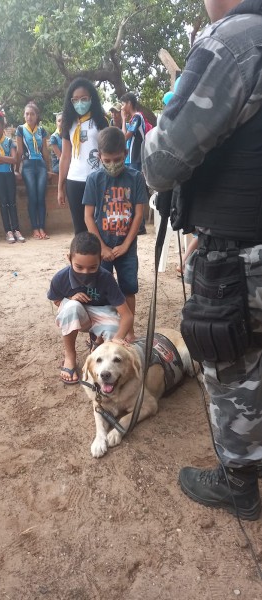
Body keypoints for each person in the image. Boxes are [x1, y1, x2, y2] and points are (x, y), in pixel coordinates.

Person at [142, 0, 262, 521]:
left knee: (233, 362)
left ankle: (238, 485)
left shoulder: (234, 41)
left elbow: (161, 162)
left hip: (241, 256)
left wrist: (160, 123)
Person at [83, 127, 148, 341]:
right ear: (99, 156)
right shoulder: (93, 180)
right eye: (107, 160)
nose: (112, 164)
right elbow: (88, 217)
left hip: (126, 247)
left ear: (126, 154)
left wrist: (126, 245)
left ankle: (128, 333)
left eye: (117, 159)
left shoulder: (136, 177)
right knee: (101, 290)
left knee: (128, 287)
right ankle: (102, 332)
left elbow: (139, 214)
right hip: (102, 247)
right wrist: (101, 247)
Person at [47, 231, 133, 384]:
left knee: (115, 329)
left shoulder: (106, 278)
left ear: (100, 260)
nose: (85, 273)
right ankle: (70, 355)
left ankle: (100, 346)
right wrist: (70, 299)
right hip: (78, 315)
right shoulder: (60, 278)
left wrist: (117, 339)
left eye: (92, 267)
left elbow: (126, 315)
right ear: (69, 258)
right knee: (71, 307)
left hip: (101, 314)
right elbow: (56, 300)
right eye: (79, 267)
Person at [57, 77, 108, 235]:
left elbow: (107, 152)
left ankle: (100, 259)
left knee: (99, 225)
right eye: (76, 99)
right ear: (70, 101)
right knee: (80, 228)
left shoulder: (101, 121)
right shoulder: (68, 123)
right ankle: (83, 260)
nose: (80, 103)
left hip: (97, 179)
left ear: (91, 99)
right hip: (74, 181)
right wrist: (60, 187)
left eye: (84, 99)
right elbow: (65, 157)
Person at [0, 111, 25, 244]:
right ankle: (8, 231)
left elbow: (14, 159)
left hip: (9, 174)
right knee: (3, 203)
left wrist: (0, 157)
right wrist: (6, 159)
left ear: (2, 126)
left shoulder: (9, 141)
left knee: (12, 202)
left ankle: (16, 229)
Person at [16, 103, 51, 240]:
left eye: (32, 114)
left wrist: (48, 169)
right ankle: (35, 228)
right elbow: (19, 151)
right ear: (24, 115)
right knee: (33, 196)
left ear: (37, 116)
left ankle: (42, 227)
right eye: (27, 114)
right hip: (28, 165)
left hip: (40, 165)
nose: (29, 116)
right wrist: (16, 170)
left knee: (41, 197)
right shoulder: (20, 129)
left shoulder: (41, 130)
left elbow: (45, 151)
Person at [120, 92, 148, 235]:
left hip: (137, 159)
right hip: (131, 159)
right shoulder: (132, 119)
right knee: (132, 191)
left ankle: (141, 226)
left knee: (137, 191)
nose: (122, 107)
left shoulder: (137, 117)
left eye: (123, 104)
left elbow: (125, 137)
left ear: (129, 103)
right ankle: (137, 224)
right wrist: (124, 120)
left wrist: (124, 120)